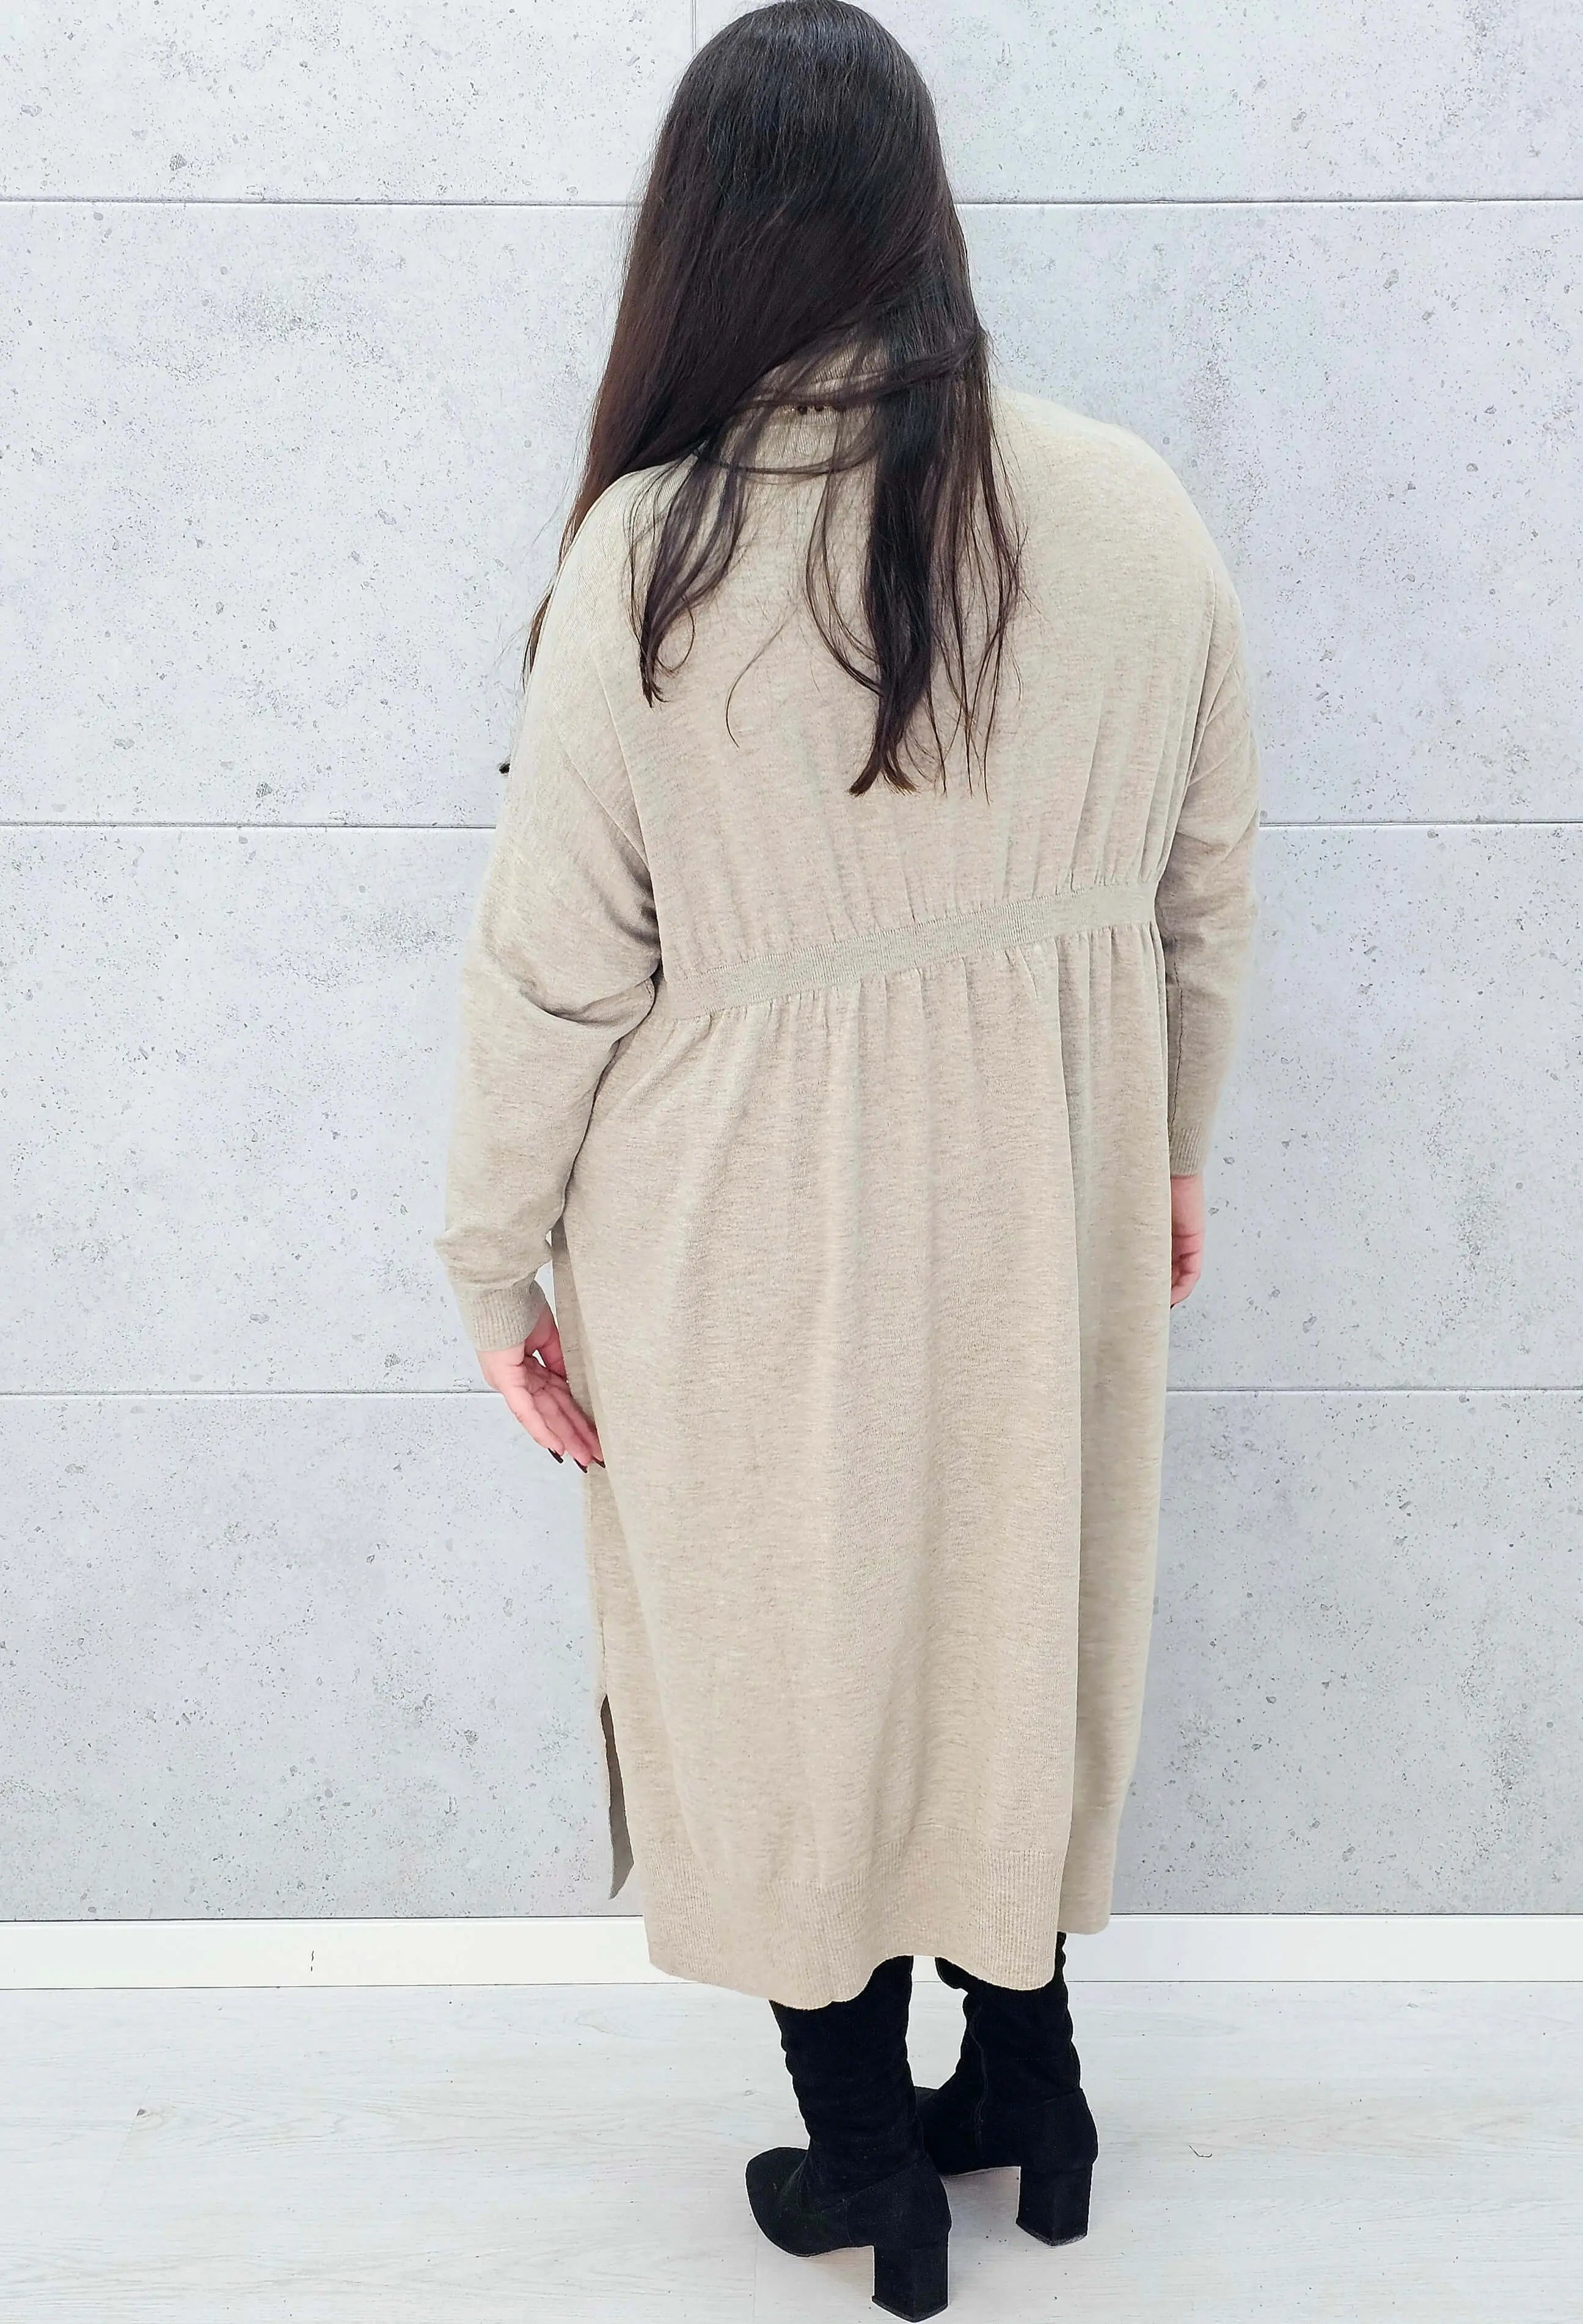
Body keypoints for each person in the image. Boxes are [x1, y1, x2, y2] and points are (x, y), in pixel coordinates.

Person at [433, 4, 1260, 2313]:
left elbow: (549, 971)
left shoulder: (656, 557)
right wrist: (1172, 1147)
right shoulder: (1132, 507)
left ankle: (873, 2159)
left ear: (705, 239)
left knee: (790, 1644)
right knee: (1011, 1608)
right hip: (1052, 1175)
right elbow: (1209, 882)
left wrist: (493, 1265)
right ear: (922, 215)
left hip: (734, 1215)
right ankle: (1036, 2096)